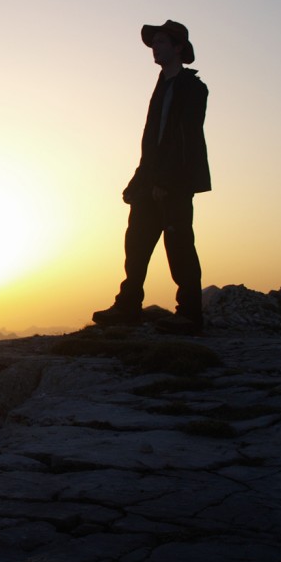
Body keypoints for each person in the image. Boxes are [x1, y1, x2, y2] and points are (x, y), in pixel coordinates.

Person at [92, 20, 211, 334]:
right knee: (136, 243)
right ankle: (128, 306)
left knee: (179, 244)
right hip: (151, 179)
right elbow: (153, 141)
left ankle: (189, 313)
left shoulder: (193, 88)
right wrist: (139, 180)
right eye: (154, 42)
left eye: (161, 42)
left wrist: (166, 182)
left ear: (178, 48)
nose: (155, 48)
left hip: (176, 182)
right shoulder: (162, 84)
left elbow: (184, 138)